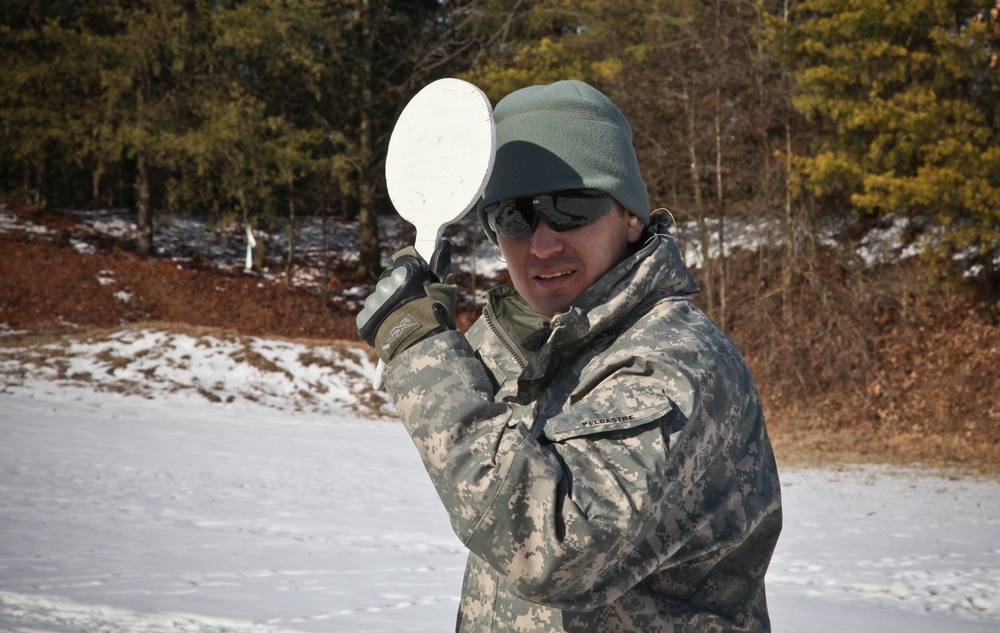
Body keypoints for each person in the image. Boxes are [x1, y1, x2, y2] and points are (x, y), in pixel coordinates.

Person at [356, 79, 782, 633]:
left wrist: (422, 355)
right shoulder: (522, 351)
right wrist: (456, 351)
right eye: (514, 217)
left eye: (570, 208)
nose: (542, 244)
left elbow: (556, 551)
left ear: (630, 214)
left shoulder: (677, 360)